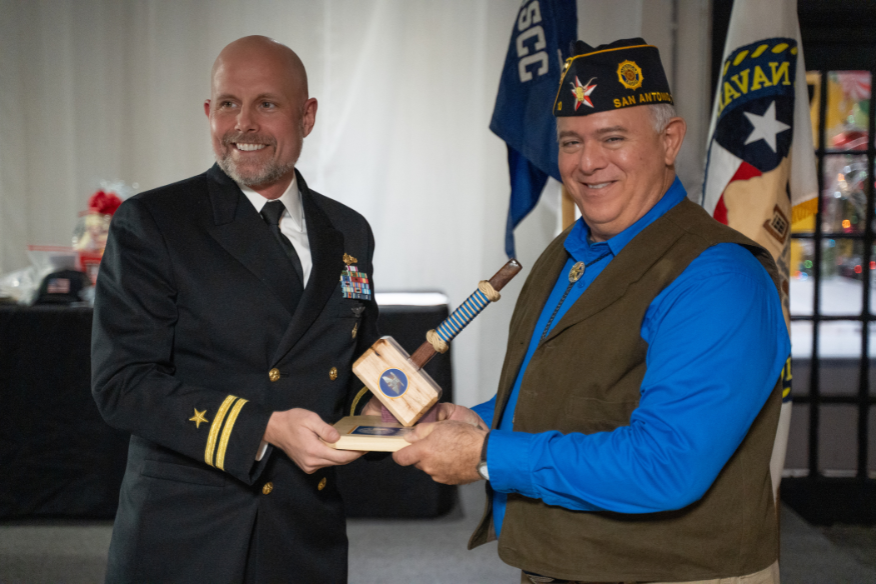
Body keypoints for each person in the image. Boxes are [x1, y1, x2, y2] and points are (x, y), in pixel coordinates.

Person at [394, 38, 789, 584]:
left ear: (670, 141)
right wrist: (483, 420)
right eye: (571, 142)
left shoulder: (717, 278)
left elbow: (666, 464)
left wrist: (488, 453)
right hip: (563, 564)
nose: (587, 163)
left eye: (613, 138)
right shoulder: (566, 253)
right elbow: (579, 391)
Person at [92, 35, 380, 583]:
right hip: (187, 529)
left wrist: (397, 412)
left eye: (266, 104)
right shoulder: (154, 222)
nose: (244, 124)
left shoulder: (348, 231)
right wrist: (264, 428)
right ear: (209, 111)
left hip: (302, 526)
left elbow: (356, 364)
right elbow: (123, 384)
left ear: (307, 116)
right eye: (228, 104)